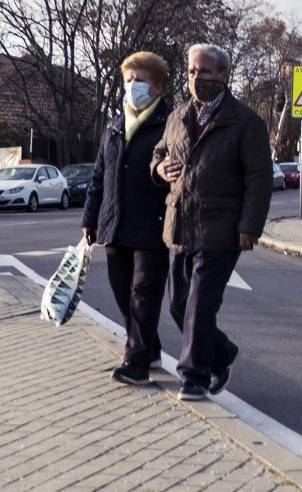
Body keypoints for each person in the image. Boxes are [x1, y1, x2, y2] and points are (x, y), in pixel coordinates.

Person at [152, 43, 272, 401]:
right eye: (191, 71)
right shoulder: (177, 117)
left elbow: (259, 178)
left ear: (223, 75)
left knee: (201, 302)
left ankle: (194, 376)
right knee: (178, 304)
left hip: (221, 229)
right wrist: (158, 168)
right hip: (180, 225)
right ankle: (221, 355)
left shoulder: (245, 121)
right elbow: (160, 152)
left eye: (203, 71)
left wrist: (250, 226)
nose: (195, 78)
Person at [81, 52, 173, 385]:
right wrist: (90, 218)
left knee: (144, 292)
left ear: (158, 87)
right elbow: (99, 175)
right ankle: (150, 347)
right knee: (123, 293)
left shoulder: (170, 124)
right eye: (128, 80)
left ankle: (136, 363)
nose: (132, 86)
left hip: (154, 224)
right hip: (114, 223)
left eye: (140, 80)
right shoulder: (114, 125)